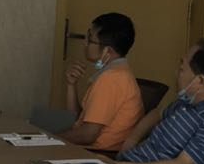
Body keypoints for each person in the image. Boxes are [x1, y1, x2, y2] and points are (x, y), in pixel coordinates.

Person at [52, 12, 145, 152]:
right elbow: (78, 121)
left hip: (97, 154)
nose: (85, 43)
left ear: (107, 51)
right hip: (90, 149)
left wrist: (49, 139)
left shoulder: (111, 79)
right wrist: (71, 85)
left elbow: (87, 135)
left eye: (90, 40)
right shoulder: (118, 72)